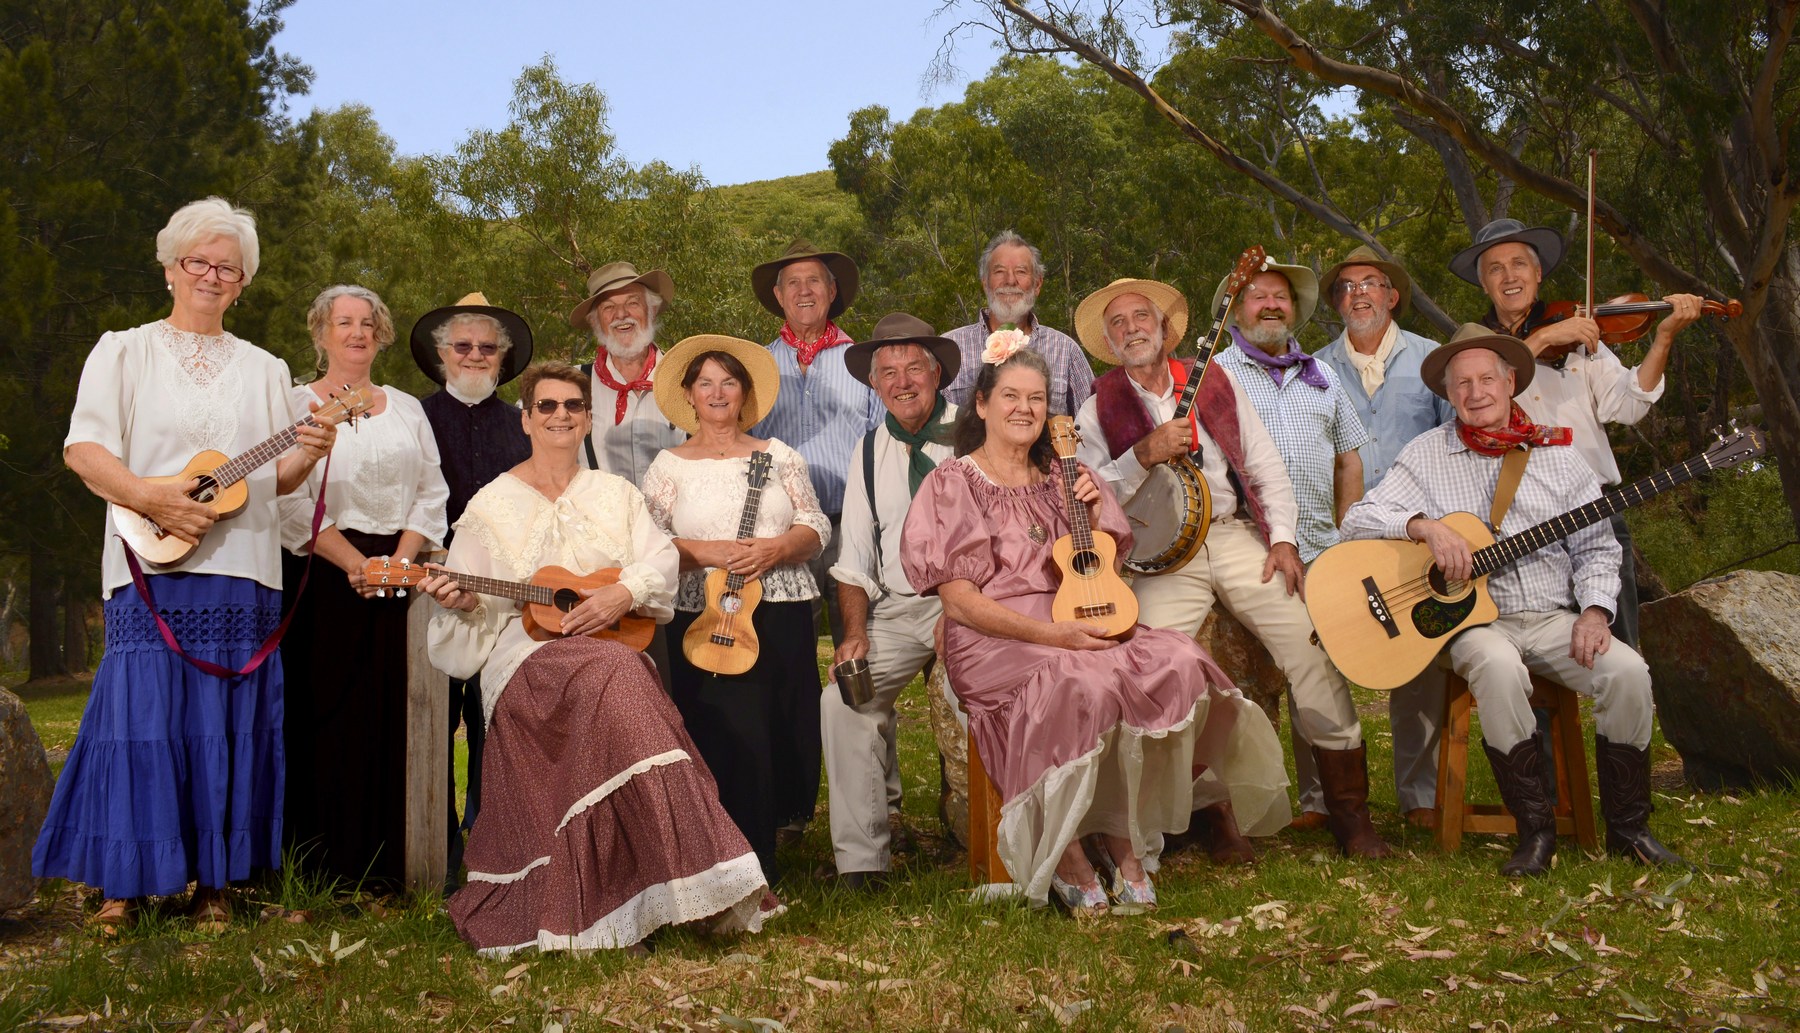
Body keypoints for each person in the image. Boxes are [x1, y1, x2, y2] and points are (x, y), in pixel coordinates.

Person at [903, 339, 1289, 912]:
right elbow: (959, 602)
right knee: (1080, 680)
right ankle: (1071, 856)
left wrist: (1090, 517)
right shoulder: (952, 484)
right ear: (981, 405)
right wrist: (1051, 637)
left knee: (1179, 659)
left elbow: (1101, 562)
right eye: (1010, 395)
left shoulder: (1070, 474)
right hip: (999, 638)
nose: (1024, 408)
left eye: (1036, 398)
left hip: (1079, 620)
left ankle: (1120, 834)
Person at [36, 197, 336, 934]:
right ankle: (123, 882)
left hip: (243, 568)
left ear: (243, 284)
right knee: (140, 720)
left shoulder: (267, 369)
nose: (211, 274)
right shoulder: (124, 350)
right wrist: (152, 498)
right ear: (170, 268)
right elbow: (85, 449)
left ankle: (216, 884)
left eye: (227, 267)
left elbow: (275, 478)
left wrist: (310, 449)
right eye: (197, 261)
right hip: (148, 562)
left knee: (226, 725)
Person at [419, 362, 774, 954]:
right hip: (527, 659)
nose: (561, 416)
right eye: (548, 407)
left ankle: (653, 890)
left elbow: (658, 561)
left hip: (609, 653)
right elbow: (472, 617)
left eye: (573, 406)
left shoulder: (616, 494)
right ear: (527, 418)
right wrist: (456, 602)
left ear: (586, 418)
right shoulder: (489, 505)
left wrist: (621, 593)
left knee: (620, 671)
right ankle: (620, 896)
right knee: (620, 675)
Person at [1340, 326, 1686, 876]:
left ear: (1510, 383)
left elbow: (1597, 547)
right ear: (1449, 395)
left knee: (1629, 672)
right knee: (1498, 667)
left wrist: (1596, 611)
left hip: (1553, 618)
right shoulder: (1427, 454)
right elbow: (1357, 519)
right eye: (1462, 384)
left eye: (1486, 380)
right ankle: (1535, 830)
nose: (1476, 393)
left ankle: (1629, 829)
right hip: (1473, 625)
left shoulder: (1559, 453)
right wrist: (1422, 526)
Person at [1071, 278, 1390, 859]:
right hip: (1162, 559)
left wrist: (1285, 540)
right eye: (1117, 324)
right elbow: (1090, 494)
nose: (1131, 328)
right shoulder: (1097, 408)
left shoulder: (1214, 380)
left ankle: (1351, 816)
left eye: (1141, 316)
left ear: (1165, 328)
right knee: (1157, 669)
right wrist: (1142, 454)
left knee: (1310, 643)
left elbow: (1265, 466)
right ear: (1109, 343)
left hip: (1236, 536)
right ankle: (1208, 812)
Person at [1450, 218, 1704, 648]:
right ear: (1483, 283)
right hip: (1516, 526)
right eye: (1495, 268)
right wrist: (1544, 336)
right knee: (1531, 657)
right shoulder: (1473, 348)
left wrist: (1662, 340)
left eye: (1519, 264)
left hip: (1592, 512)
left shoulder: (1579, 335)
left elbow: (1626, 405)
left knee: (1617, 653)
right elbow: (1469, 404)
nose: (1509, 276)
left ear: (1538, 274)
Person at [642, 335, 831, 879]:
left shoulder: (778, 457)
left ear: (745, 394)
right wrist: (705, 552)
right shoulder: (668, 466)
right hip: (702, 615)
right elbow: (647, 544)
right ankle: (720, 851)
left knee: (782, 721)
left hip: (779, 608)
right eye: (706, 382)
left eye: (729, 382)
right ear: (689, 395)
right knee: (719, 727)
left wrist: (776, 548)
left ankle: (771, 838)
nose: (718, 392)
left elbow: (815, 524)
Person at [280, 284, 449, 890]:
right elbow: (288, 499)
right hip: (322, 572)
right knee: (325, 714)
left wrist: (399, 562)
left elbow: (431, 491)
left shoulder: (407, 408)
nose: (356, 333)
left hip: (397, 574)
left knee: (392, 718)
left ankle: (387, 869)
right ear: (321, 332)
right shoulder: (293, 403)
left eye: (367, 323)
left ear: (380, 335)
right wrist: (355, 563)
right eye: (343, 322)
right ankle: (323, 868)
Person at [1307, 245, 1454, 830]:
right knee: (1315, 659)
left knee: (1418, 659)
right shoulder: (1312, 369)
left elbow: (1455, 446)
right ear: (1337, 303)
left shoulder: (1434, 361)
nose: (1359, 294)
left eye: (1371, 283)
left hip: (1413, 539)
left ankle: (1419, 795)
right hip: (1334, 534)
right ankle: (1320, 800)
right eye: (1346, 287)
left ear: (1393, 296)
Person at [824, 313, 961, 890]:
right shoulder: (865, 452)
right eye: (888, 372)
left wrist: (963, 611)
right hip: (900, 608)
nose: (902, 381)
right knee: (843, 700)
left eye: (913, 368)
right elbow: (853, 558)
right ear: (874, 385)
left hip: (975, 601)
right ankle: (863, 862)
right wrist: (854, 632)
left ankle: (977, 834)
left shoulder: (978, 431)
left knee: (974, 690)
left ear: (936, 374)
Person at [410, 292, 534, 890]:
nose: (476, 355)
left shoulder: (525, 425)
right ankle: (432, 845)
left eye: (488, 348)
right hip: (427, 586)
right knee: (431, 720)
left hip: (505, 595)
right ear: (441, 355)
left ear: (503, 358)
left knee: (496, 719)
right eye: (463, 346)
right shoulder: (415, 419)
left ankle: (489, 845)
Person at [747, 240, 881, 655]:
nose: (804, 291)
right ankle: (799, 723)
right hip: (783, 532)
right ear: (778, 295)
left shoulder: (866, 363)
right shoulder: (757, 367)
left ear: (832, 290)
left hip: (852, 527)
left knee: (859, 650)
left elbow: (884, 441)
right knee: (787, 652)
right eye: (793, 283)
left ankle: (858, 720)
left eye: (814, 281)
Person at [941, 230, 1096, 416]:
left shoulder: (1067, 351)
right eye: (999, 271)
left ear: (1037, 285)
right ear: (985, 283)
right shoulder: (950, 349)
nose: (1010, 280)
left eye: (1021, 272)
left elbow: (1091, 430)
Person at [568, 261, 686, 484]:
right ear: (595, 321)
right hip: (602, 518)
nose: (621, 314)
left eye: (633, 303)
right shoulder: (571, 386)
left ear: (650, 311)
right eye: (608, 307)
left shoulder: (686, 379)